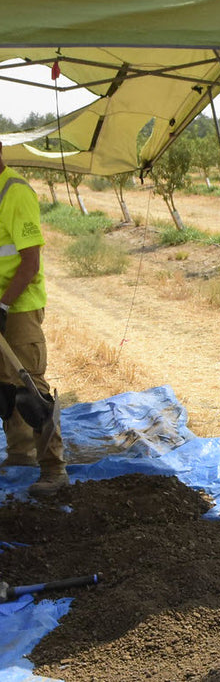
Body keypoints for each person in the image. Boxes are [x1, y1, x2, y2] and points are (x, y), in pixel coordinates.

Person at [0, 141, 67, 497]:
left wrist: (4, 305)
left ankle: (54, 469)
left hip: (19, 304)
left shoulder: (15, 192)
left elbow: (29, 262)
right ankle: (20, 455)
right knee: (5, 388)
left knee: (30, 388)